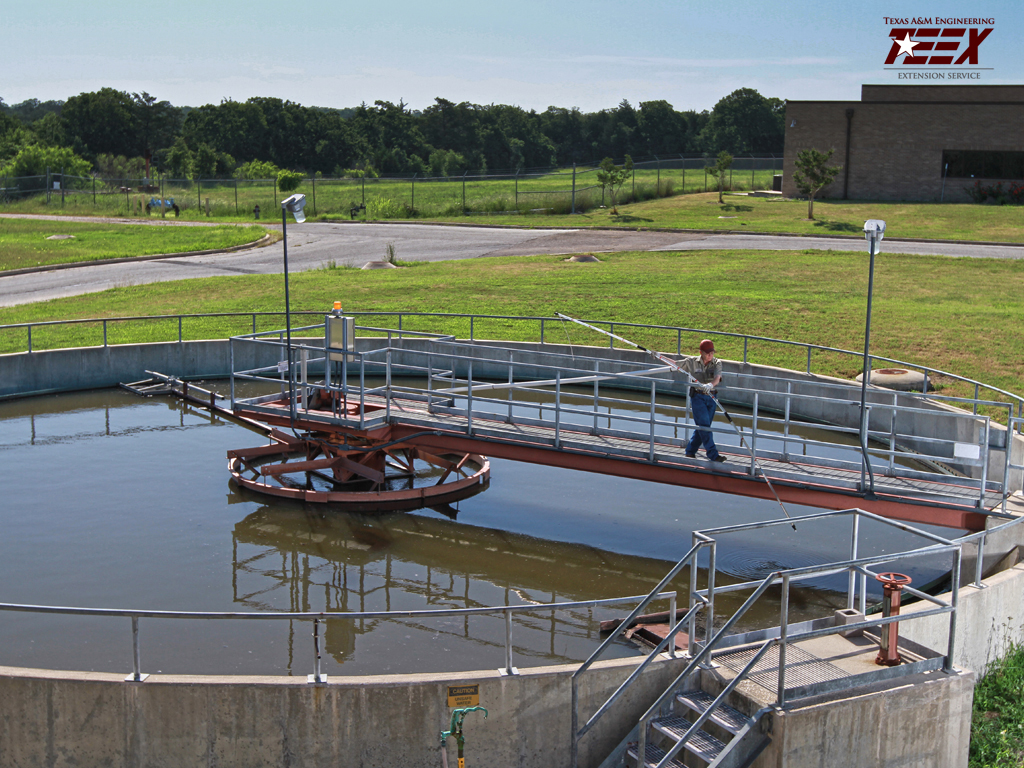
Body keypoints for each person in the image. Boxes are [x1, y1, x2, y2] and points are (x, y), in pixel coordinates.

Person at [681, 339, 726, 462]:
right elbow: (676, 364)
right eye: (707, 353)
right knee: (705, 426)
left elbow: (717, 377)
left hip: (712, 397)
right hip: (698, 397)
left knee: (703, 427)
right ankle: (713, 454)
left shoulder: (717, 363)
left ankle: (690, 451)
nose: (710, 355)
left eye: (712, 353)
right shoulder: (692, 362)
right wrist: (659, 356)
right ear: (701, 352)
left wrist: (710, 385)